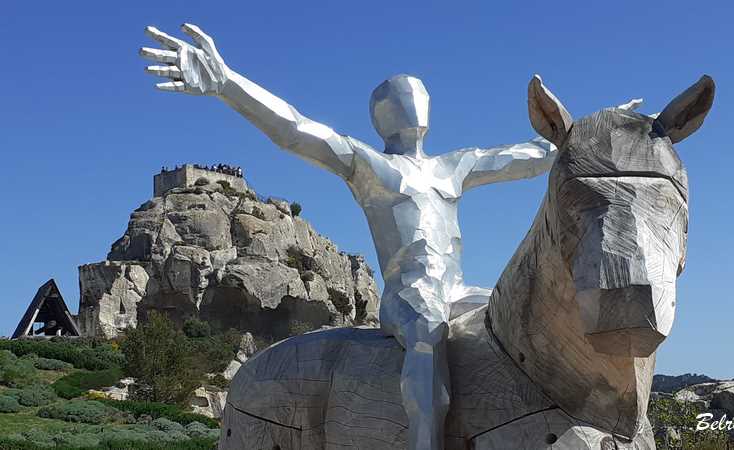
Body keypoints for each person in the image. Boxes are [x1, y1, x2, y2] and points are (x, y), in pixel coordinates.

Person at [139, 24, 637, 449]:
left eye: (419, 96)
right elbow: (293, 128)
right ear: (383, 115)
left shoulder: (452, 167)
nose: (413, 104)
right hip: (411, 296)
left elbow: (530, 155)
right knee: (425, 338)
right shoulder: (369, 165)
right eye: (401, 98)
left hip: (459, 291)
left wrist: (605, 127)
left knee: (525, 318)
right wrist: (227, 83)